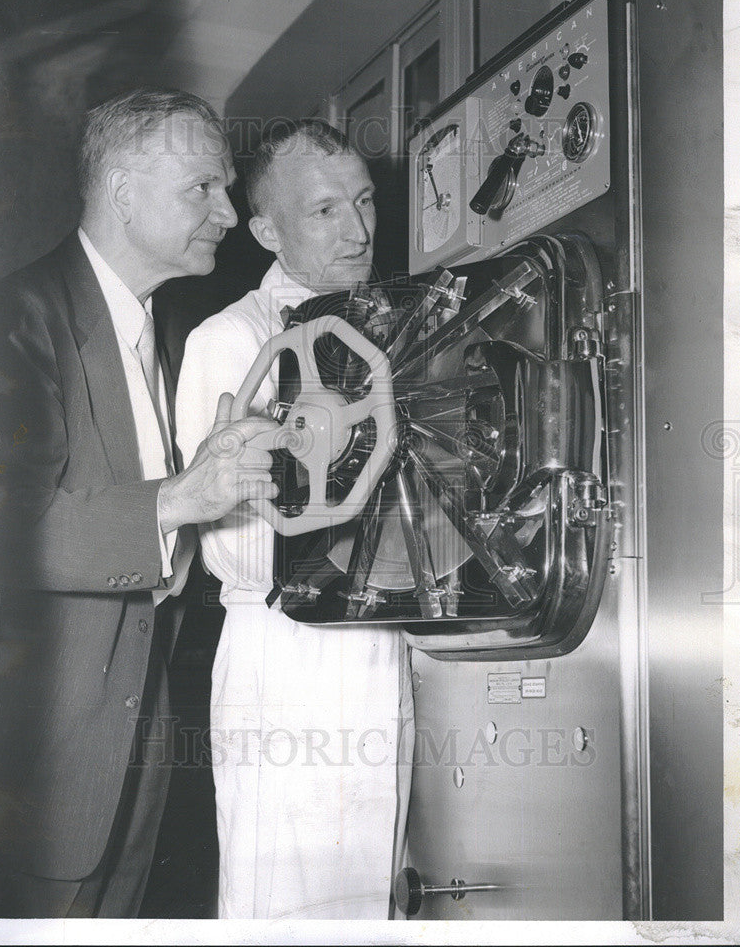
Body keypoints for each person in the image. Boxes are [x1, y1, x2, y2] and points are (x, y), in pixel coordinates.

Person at [0, 88, 279, 919]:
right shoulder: (13, 317)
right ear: (121, 191)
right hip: (49, 746)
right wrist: (182, 496)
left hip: (138, 724)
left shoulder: (161, 327)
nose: (229, 210)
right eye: (202, 189)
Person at [176, 119, 414, 920]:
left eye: (363, 201)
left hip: (386, 640)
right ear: (267, 229)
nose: (355, 230)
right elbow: (237, 548)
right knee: (284, 907)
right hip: (288, 652)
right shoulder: (233, 339)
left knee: (371, 894)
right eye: (323, 212)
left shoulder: (398, 332)